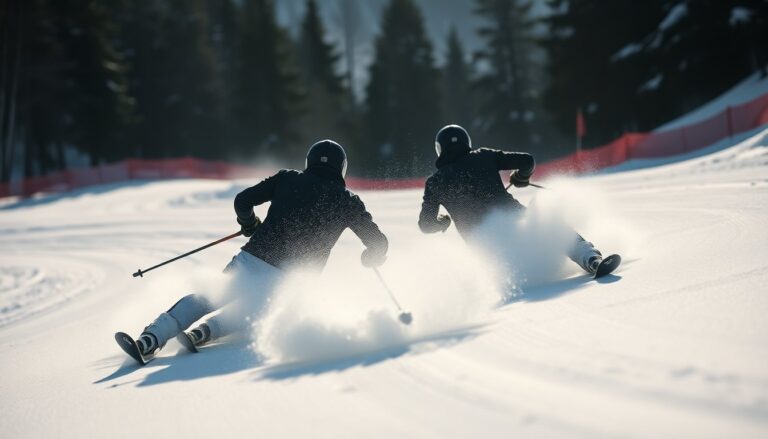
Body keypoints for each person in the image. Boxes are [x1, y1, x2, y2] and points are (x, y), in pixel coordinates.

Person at [120, 140, 388, 361]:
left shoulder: (287, 179)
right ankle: (205, 332)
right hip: (291, 279)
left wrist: (250, 224)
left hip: (254, 258)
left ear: (309, 162)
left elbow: (243, 200)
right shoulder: (347, 201)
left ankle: (150, 338)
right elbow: (379, 243)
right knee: (255, 311)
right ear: (342, 169)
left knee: (212, 295)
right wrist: (369, 257)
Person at [418, 124, 618, 277]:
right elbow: (527, 161)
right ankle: (590, 258)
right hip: (520, 228)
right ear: (466, 142)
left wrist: (443, 222)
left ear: (440, 149)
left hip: (491, 255)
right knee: (545, 213)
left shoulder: (435, 182)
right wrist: (520, 178)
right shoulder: (484, 156)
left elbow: (426, 225)